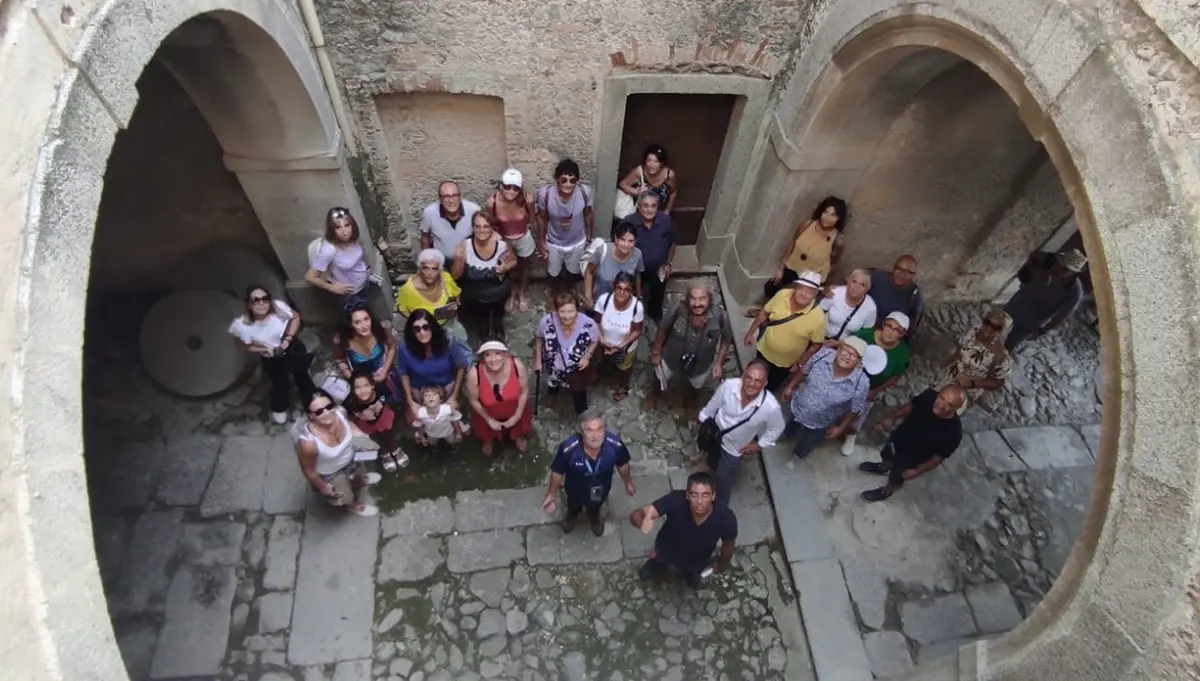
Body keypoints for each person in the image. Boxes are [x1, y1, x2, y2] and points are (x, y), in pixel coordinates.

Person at [630, 472, 737, 590]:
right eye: (694, 495)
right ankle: (656, 566)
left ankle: (690, 576)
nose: (699, 501)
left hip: (697, 559)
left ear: (713, 496)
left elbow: (728, 547)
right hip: (667, 548)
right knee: (660, 560)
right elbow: (639, 514)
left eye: (705, 495)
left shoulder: (726, 518)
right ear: (687, 495)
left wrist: (722, 565)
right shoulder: (675, 500)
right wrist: (641, 522)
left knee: (692, 573)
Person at [858, 385, 965, 502]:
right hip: (899, 438)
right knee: (887, 455)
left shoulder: (953, 433)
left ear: (957, 408)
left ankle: (887, 490)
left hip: (912, 459)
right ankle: (882, 468)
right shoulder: (928, 396)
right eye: (941, 398)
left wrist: (918, 470)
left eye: (949, 404)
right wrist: (892, 418)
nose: (941, 405)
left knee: (897, 478)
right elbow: (910, 406)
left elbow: (938, 457)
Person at [698, 361, 786, 502]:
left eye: (757, 381)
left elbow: (777, 428)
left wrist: (760, 444)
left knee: (724, 480)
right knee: (712, 459)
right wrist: (703, 419)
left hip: (734, 449)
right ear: (743, 375)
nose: (751, 384)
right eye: (749, 377)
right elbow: (713, 404)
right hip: (715, 434)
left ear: (764, 384)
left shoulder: (770, 407)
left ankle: (720, 505)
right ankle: (713, 465)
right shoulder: (728, 386)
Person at [780, 336, 874, 467]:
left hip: (821, 421)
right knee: (791, 424)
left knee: (809, 441)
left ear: (859, 362)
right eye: (845, 350)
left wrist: (841, 428)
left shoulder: (861, 383)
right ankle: (787, 435)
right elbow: (804, 370)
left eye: (853, 355)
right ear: (838, 349)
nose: (847, 356)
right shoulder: (823, 355)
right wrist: (791, 386)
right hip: (800, 405)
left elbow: (855, 409)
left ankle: (797, 457)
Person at [540, 408, 636, 536]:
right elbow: (557, 472)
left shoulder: (615, 446)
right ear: (581, 432)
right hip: (575, 488)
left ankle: (594, 519)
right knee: (573, 505)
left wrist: (628, 483)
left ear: (605, 429)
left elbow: (623, 464)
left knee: (595, 506)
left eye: (599, 429)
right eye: (589, 430)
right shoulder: (568, 449)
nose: (595, 436)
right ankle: (571, 517)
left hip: (600, 487)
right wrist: (551, 494)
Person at [228, 285, 316, 425]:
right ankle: (280, 407)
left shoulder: (278, 307)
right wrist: (262, 349)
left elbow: (295, 317)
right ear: (249, 304)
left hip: (290, 345)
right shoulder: (243, 325)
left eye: (265, 299)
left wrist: (288, 339)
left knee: (302, 375)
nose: (261, 303)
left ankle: (313, 404)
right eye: (256, 300)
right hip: (271, 355)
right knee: (279, 382)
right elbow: (242, 345)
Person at [748, 196, 847, 316]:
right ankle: (766, 311)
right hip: (793, 267)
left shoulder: (838, 240)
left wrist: (823, 286)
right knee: (772, 288)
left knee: (793, 301)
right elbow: (793, 244)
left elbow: (833, 264)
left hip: (810, 277)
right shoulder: (807, 224)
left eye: (833, 215)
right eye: (826, 212)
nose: (827, 217)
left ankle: (773, 317)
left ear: (838, 219)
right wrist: (781, 267)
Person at [646, 283, 732, 413]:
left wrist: (719, 363)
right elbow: (662, 329)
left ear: (710, 299)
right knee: (659, 377)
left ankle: (691, 399)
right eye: (693, 298)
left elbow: (726, 340)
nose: (697, 304)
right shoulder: (677, 309)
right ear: (687, 299)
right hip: (671, 358)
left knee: (696, 385)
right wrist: (656, 352)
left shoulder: (720, 316)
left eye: (702, 298)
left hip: (701, 364)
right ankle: (655, 393)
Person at [293, 389, 380, 517]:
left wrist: (361, 435)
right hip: (331, 473)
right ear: (311, 415)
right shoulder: (308, 443)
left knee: (359, 473)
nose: (327, 413)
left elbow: (349, 424)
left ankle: (359, 481)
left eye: (329, 407)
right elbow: (309, 470)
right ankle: (353, 506)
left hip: (351, 458)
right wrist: (323, 487)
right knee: (345, 495)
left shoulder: (340, 412)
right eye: (319, 411)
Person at [840, 312, 912, 455]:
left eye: (897, 330)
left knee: (860, 413)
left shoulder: (902, 353)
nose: (891, 332)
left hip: (870, 388)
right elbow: (845, 348)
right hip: (847, 378)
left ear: (902, 335)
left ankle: (851, 435)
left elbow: (894, 376)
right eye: (889, 326)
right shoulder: (865, 335)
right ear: (883, 324)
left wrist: (877, 390)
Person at [744, 271, 827, 393]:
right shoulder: (782, 295)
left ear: (816, 294)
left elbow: (816, 344)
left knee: (769, 387)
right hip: (764, 349)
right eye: (802, 288)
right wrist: (750, 333)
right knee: (755, 377)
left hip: (785, 363)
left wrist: (800, 363)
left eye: (810, 291)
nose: (804, 294)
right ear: (795, 287)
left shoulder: (818, 317)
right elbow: (764, 313)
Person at [450, 211, 517, 341]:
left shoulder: (501, 244)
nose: (481, 230)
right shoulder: (465, 246)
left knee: (498, 313)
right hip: (475, 294)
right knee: (481, 317)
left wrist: (504, 267)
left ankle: (498, 328)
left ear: (492, 228)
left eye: (486, 226)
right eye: (477, 226)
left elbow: (514, 261)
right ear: (473, 228)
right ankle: (485, 334)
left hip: (498, 291)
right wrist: (458, 258)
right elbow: (456, 275)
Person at [395, 310, 471, 423]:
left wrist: (454, 396)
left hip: (447, 386)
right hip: (420, 389)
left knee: (451, 419)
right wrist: (410, 402)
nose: (422, 332)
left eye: (426, 327)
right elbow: (403, 373)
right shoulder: (405, 347)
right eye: (417, 329)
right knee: (426, 421)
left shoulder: (448, 340)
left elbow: (461, 366)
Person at [1004, 248, 1087, 350]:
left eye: (1066, 269)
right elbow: (1034, 254)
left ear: (1074, 273)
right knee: (993, 330)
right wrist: (1035, 273)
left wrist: (1043, 330)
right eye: (1061, 265)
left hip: (1030, 322)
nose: (1060, 269)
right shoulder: (1048, 263)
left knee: (1008, 346)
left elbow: (1062, 316)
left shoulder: (1075, 292)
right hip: (1016, 306)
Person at [533, 291, 601, 415]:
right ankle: (552, 394)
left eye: (571, 311)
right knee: (553, 382)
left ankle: (581, 412)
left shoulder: (588, 324)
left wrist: (588, 355)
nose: (567, 316)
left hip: (576, 370)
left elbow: (595, 339)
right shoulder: (547, 321)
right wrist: (538, 360)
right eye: (562, 311)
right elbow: (539, 338)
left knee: (579, 392)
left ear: (577, 310)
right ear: (556, 310)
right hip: (553, 365)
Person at [934, 307, 1013, 411]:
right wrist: (949, 362)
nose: (988, 329)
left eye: (995, 327)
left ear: (1003, 331)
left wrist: (972, 383)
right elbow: (961, 347)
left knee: (946, 410)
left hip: (965, 388)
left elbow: (998, 382)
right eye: (987, 323)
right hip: (949, 375)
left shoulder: (1001, 356)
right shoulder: (974, 332)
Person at [465, 340, 533, 458]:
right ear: (482, 357)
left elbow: (524, 392)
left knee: (519, 428)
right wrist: (489, 420)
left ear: (505, 354)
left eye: (497, 353)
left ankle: (518, 436)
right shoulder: (474, 373)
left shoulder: (517, 366)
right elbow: (473, 400)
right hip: (487, 412)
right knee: (485, 433)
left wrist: (517, 416)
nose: (493, 359)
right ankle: (488, 440)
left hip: (514, 408)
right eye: (488, 354)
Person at [617, 191, 678, 322]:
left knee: (658, 292)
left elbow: (673, 242)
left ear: (658, 207)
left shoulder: (666, 221)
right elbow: (619, 243)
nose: (649, 210)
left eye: (653, 206)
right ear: (639, 206)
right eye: (645, 206)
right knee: (630, 292)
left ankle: (654, 313)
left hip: (658, 268)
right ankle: (630, 314)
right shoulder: (629, 222)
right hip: (634, 269)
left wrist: (668, 263)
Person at [305, 207, 376, 313]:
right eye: (338, 227)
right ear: (332, 230)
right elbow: (310, 277)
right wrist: (331, 288)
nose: (345, 232)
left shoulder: (351, 239)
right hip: (350, 295)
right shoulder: (329, 249)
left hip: (363, 286)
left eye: (347, 225)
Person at [485, 168, 537, 312]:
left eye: (515, 188)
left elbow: (532, 218)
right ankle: (512, 293)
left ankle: (521, 293)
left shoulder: (526, 200)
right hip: (505, 238)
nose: (511, 191)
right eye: (507, 186)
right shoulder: (492, 203)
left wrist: (536, 235)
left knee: (525, 267)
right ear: (501, 185)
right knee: (509, 268)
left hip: (523, 237)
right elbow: (491, 222)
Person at [535, 159, 594, 284]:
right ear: (557, 179)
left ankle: (570, 295)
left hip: (577, 242)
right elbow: (541, 217)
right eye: (563, 180)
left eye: (572, 180)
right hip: (553, 242)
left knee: (574, 272)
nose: (568, 184)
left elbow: (588, 214)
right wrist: (541, 242)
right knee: (553, 273)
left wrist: (589, 237)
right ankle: (555, 295)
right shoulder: (545, 194)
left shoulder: (585, 192)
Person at [395, 248, 467, 342]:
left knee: (462, 343)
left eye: (434, 269)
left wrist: (455, 304)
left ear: (439, 270)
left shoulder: (445, 278)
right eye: (426, 268)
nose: (430, 273)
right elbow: (403, 310)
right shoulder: (407, 289)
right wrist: (418, 322)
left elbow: (456, 294)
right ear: (420, 268)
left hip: (447, 322)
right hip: (426, 328)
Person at [343, 370, 408, 472]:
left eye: (366, 385)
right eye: (358, 387)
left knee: (389, 432)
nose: (363, 390)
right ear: (353, 390)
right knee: (374, 437)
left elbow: (387, 393)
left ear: (373, 385)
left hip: (382, 416)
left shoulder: (379, 388)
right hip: (366, 423)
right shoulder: (351, 400)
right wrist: (360, 414)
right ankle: (384, 453)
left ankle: (395, 449)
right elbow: (347, 410)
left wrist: (380, 403)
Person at [593, 272, 644, 402]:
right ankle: (602, 374)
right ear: (614, 287)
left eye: (627, 289)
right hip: (603, 342)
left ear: (632, 291)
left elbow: (637, 330)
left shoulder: (636, 307)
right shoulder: (603, 301)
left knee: (624, 367)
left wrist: (622, 345)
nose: (622, 292)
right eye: (619, 288)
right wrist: (602, 340)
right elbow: (596, 322)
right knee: (602, 360)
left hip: (625, 346)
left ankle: (623, 386)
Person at [332, 306, 399, 401]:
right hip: (361, 383)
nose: (364, 325)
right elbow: (339, 358)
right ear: (350, 324)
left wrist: (384, 372)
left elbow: (392, 346)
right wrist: (352, 378)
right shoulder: (341, 340)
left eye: (366, 319)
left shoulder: (381, 329)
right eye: (357, 322)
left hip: (384, 373)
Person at [582, 222, 644, 309]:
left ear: (635, 241)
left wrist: (638, 296)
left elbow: (637, 274)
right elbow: (588, 272)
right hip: (598, 302)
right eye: (622, 240)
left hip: (621, 303)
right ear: (616, 239)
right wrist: (588, 297)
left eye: (630, 241)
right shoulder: (602, 251)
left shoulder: (637, 254)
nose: (626, 245)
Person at [420, 180, 480, 261]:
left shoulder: (474, 210)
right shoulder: (429, 212)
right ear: (440, 199)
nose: (451, 201)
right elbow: (425, 237)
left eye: (455, 195)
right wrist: (426, 259)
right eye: (446, 196)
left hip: (467, 261)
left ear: (460, 197)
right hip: (441, 261)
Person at [869, 255, 925, 338]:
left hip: (887, 336)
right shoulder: (877, 278)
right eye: (899, 269)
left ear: (913, 275)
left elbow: (912, 324)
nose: (902, 275)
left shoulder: (915, 295)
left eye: (907, 272)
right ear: (893, 268)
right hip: (865, 327)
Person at [617, 144, 677, 216]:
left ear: (662, 163)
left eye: (656, 162)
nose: (651, 165)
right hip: (640, 214)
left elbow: (673, 192)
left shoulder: (669, 175)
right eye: (649, 160)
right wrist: (636, 191)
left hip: (659, 214)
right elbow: (622, 184)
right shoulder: (640, 171)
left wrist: (667, 211)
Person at [820, 269, 877, 340]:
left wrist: (843, 344)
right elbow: (819, 311)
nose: (856, 287)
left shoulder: (870, 307)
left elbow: (866, 332)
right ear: (848, 281)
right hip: (822, 338)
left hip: (846, 346)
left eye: (862, 285)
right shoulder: (835, 293)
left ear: (867, 289)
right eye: (854, 282)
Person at [411, 385, 464, 450]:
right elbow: (420, 426)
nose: (430, 397)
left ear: (440, 399)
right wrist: (422, 437)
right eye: (426, 395)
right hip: (431, 434)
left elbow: (455, 421)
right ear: (423, 401)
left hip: (448, 432)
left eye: (434, 394)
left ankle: (454, 449)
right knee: (432, 443)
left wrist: (458, 433)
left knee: (452, 441)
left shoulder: (447, 410)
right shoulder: (420, 414)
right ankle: (435, 449)